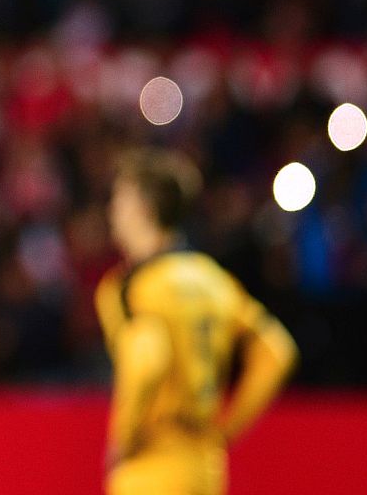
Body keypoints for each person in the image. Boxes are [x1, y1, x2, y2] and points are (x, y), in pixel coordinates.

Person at [95, 150, 299, 495]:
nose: (112, 212)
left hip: (151, 463)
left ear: (142, 206)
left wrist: (123, 439)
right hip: (205, 467)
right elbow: (278, 351)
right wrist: (226, 430)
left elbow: (148, 358)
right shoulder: (215, 280)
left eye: (119, 200)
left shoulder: (129, 287)